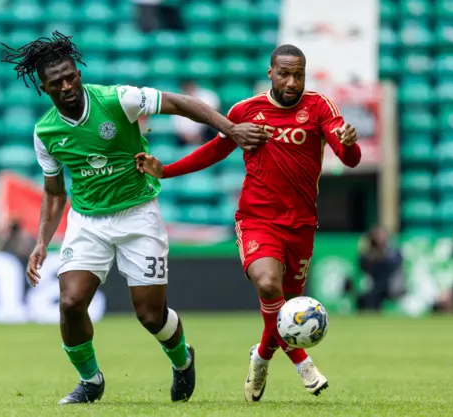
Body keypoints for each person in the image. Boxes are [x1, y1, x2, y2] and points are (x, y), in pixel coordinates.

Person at [0, 31, 267, 405]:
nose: (68, 85)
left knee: (150, 315)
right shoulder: (45, 132)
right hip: (88, 223)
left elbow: (178, 102)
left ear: (78, 73)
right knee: (70, 303)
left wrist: (230, 129)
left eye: (71, 76)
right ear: (45, 89)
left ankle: (182, 358)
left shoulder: (117, 99)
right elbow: (55, 191)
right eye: (57, 82)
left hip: (137, 214)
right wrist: (42, 241)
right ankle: (90, 381)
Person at [135, 44, 362, 401]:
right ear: (270, 73)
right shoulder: (247, 110)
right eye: (284, 74)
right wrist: (166, 171)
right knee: (268, 284)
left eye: (298, 75)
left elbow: (348, 158)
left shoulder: (319, 106)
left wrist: (349, 144)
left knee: (286, 311)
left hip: (301, 225)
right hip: (257, 220)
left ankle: (261, 357)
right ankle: (305, 366)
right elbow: (214, 150)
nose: (291, 82)